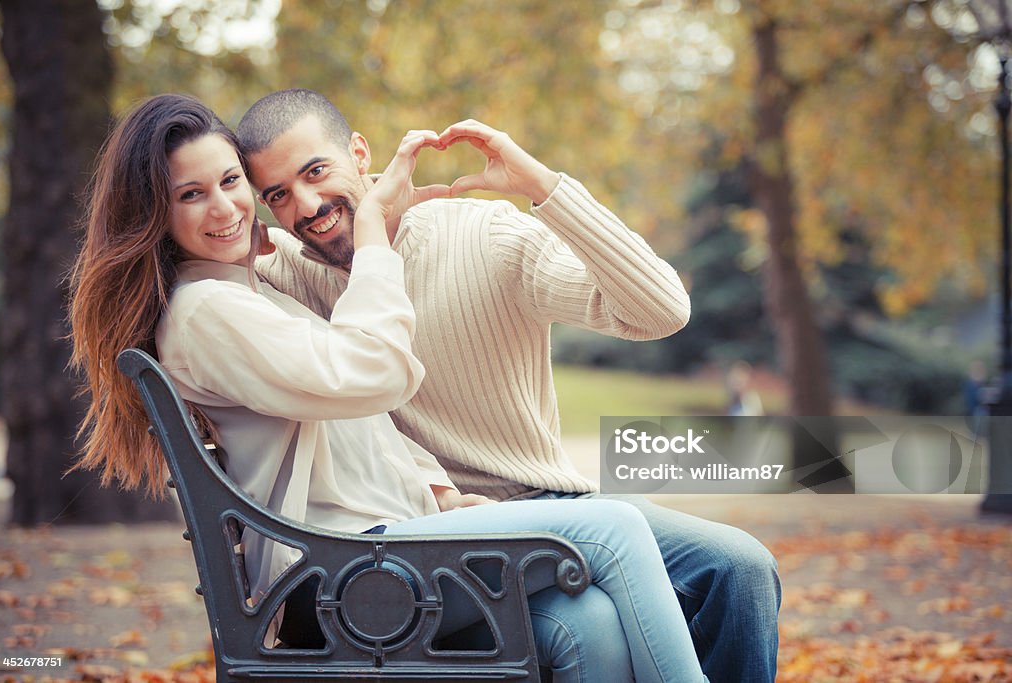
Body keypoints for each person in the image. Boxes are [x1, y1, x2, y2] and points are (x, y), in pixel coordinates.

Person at [68, 93, 708, 682]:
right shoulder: (210, 312)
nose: (226, 207)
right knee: (614, 529)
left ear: (358, 154)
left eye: (232, 183)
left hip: (375, 550)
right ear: (154, 210)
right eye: (191, 195)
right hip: (341, 571)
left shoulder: (241, 298)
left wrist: (441, 495)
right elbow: (376, 371)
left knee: (589, 621)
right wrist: (373, 229)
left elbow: (357, 428)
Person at [242, 88, 781, 682]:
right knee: (594, 618)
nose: (308, 205)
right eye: (278, 195)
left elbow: (661, 310)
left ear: (360, 153)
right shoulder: (282, 277)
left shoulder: (483, 236)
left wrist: (544, 188)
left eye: (316, 171)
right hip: (427, 532)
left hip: (555, 506)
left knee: (741, 568)